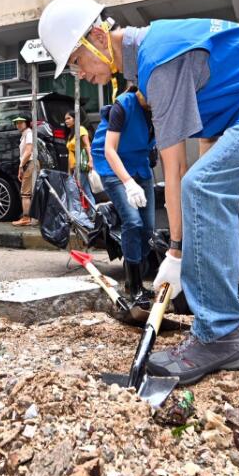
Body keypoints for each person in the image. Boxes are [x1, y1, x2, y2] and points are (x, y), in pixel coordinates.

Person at [38, 0, 239, 385]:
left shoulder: (159, 61)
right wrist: (191, 233)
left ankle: (219, 335)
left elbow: (176, 170)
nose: (79, 73)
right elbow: (207, 147)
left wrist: (177, 252)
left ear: (97, 35)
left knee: (204, 189)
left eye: (77, 61)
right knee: (233, 209)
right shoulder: (157, 54)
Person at [92, 90, 158, 311]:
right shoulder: (123, 106)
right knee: (133, 222)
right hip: (113, 165)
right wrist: (129, 183)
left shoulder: (163, 106)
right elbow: (110, 149)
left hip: (139, 164)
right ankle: (135, 285)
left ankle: (132, 281)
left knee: (147, 228)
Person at [11, 116, 37, 227]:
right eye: (17, 123)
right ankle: (32, 218)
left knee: (25, 193)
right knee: (29, 192)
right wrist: (20, 168)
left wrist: (21, 166)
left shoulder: (29, 133)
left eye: (21, 122)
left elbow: (28, 151)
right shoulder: (25, 134)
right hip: (28, 164)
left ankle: (26, 218)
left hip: (30, 164)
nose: (19, 125)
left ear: (27, 123)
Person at [64, 111, 93, 176]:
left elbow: (87, 145)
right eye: (65, 119)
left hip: (82, 166)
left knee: (84, 185)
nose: (66, 121)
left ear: (75, 119)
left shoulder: (81, 129)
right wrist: (69, 172)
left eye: (68, 118)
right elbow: (70, 154)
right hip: (74, 169)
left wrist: (91, 160)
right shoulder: (70, 135)